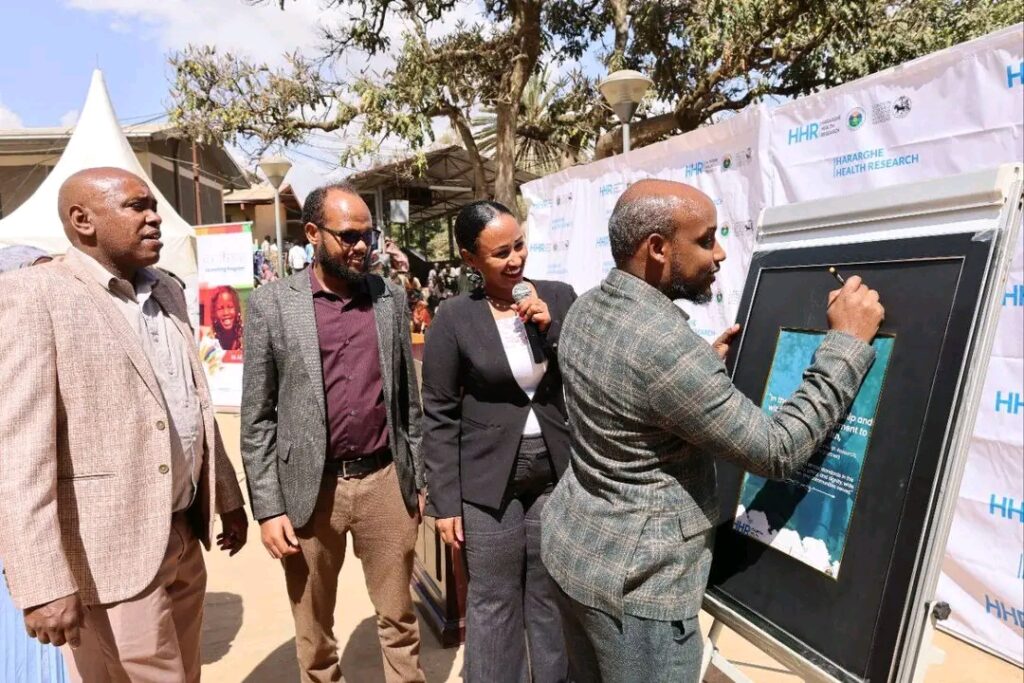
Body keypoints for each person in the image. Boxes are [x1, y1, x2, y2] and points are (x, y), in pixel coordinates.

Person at [540, 179, 885, 682]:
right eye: (705, 240)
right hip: (637, 594)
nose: (719, 253)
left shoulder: (587, 307)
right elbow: (777, 449)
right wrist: (847, 343)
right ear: (657, 248)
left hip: (576, 553)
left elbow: (630, 390)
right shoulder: (663, 347)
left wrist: (697, 372)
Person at [0, 167, 248, 682]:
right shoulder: (34, 296)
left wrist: (225, 495)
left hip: (181, 534)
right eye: (137, 206)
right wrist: (42, 583)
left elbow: (191, 405)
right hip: (107, 552)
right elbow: (19, 454)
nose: (155, 218)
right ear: (82, 220)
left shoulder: (167, 291)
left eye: (153, 205)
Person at [241, 181, 427, 683]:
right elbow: (257, 416)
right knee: (315, 633)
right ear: (312, 234)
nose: (361, 246)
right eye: (348, 236)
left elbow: (408, 401)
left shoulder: (388, 298)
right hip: (310, 490)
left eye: (368, 235)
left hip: (384, 482)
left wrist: (419, 479)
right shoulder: (272, 305)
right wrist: (269, 508)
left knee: (400, 621)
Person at [422, 200, 576, 682]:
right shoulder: (454, 317)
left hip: (554, 470)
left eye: (519, 246)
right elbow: (439, 412)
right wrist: (445, 501)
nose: (515, 260)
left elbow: (584, 372)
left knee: (550, 593)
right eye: (500, 253)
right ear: (470, 259)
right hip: (488, 480)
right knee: (493, 598)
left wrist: (552, 329)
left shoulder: (558, 297)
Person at [210, 285, 244, 351]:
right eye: (220, 308)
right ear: (214, 313)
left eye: (230, 307)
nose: (226, 313)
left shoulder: (248, 337)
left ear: (237, 309)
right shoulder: (209, 342)